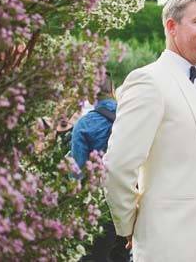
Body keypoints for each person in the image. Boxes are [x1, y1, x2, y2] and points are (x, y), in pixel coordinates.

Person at [104, 0, 196, 262]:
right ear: (172, 27)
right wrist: (129, 225)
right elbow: (119, 165)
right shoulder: (148, 81)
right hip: (166, 245)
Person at [71, 73, 128, 262]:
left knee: (95, 256)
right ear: (113, 90)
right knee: (122, 254)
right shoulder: (130, 117)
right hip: (128, 200)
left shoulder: (83, 125)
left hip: (99, 204)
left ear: (89, 96)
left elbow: (78, 173)